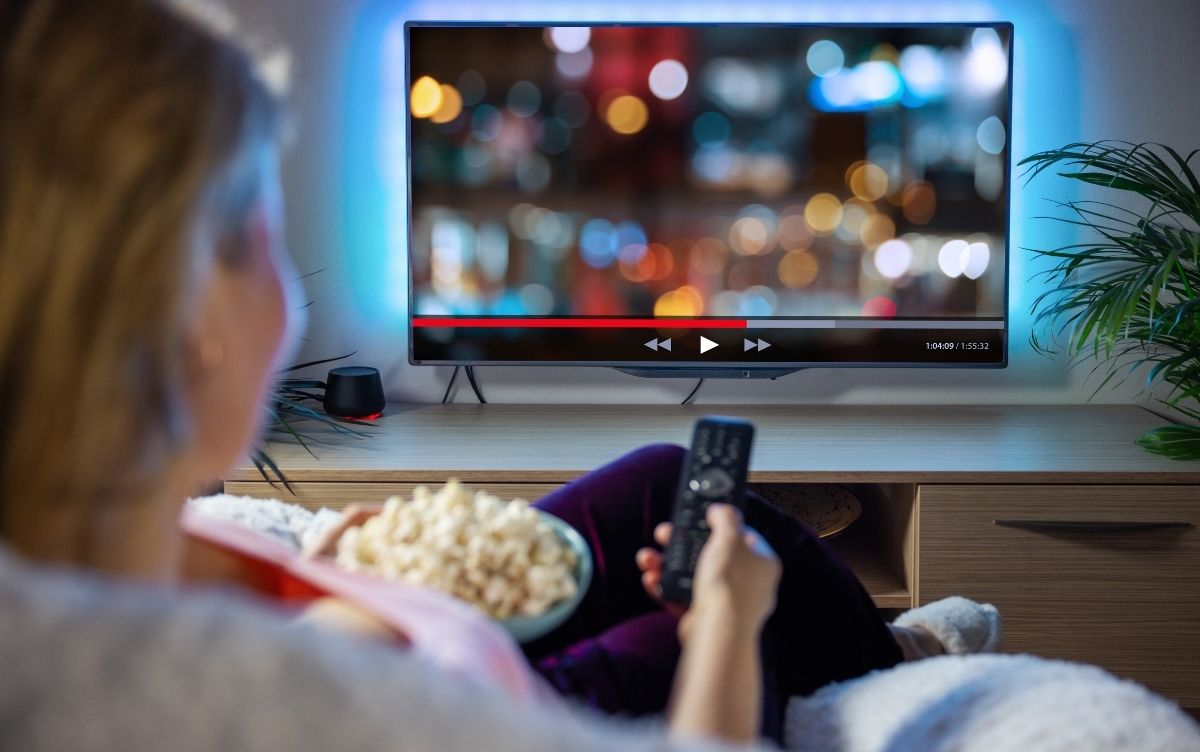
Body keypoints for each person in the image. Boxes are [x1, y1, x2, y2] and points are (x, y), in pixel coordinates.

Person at [0, 1, 981, 750]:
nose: (290, 284)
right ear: (191, 321)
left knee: (661, 478)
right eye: (265, 232)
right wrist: (728, 622)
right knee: (678, 629)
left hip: (417, 645)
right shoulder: (253, 693)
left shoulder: (91, 543)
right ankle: (886, 661)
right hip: (469, 687)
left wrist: (329, 582)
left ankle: (882, 650)